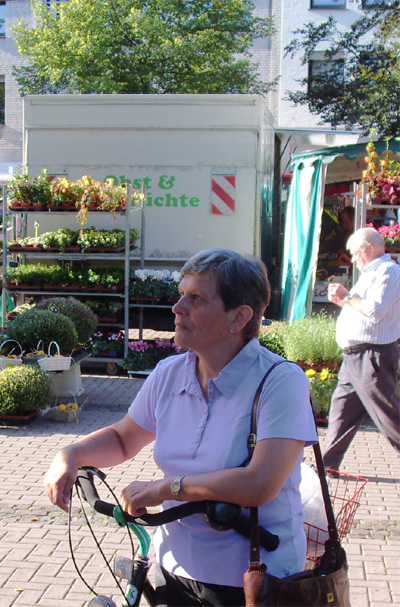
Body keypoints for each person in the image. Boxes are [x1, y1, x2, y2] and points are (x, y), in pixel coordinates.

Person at [44, 249, 318, 606]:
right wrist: (71, 454)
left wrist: (165, 489)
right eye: (180, 294)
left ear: (239, 317)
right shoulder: (169, 374)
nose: (177, 308)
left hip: (255, 581)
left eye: (196, 298)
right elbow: (123, 438)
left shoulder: (280, 381)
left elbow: (260, 483)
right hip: (174, 568)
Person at [324, 227, 400, 470]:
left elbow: (375, 311)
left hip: (371, 356)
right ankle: (327, 466)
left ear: (368, 249)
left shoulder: (389, 272)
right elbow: (363, 309)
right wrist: (343, 300)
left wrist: (346, 296)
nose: (353, 259)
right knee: (341, 412)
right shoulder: (372, 273)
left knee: (389, 417)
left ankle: (327, 465)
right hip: (355, 357)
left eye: (355, 253)